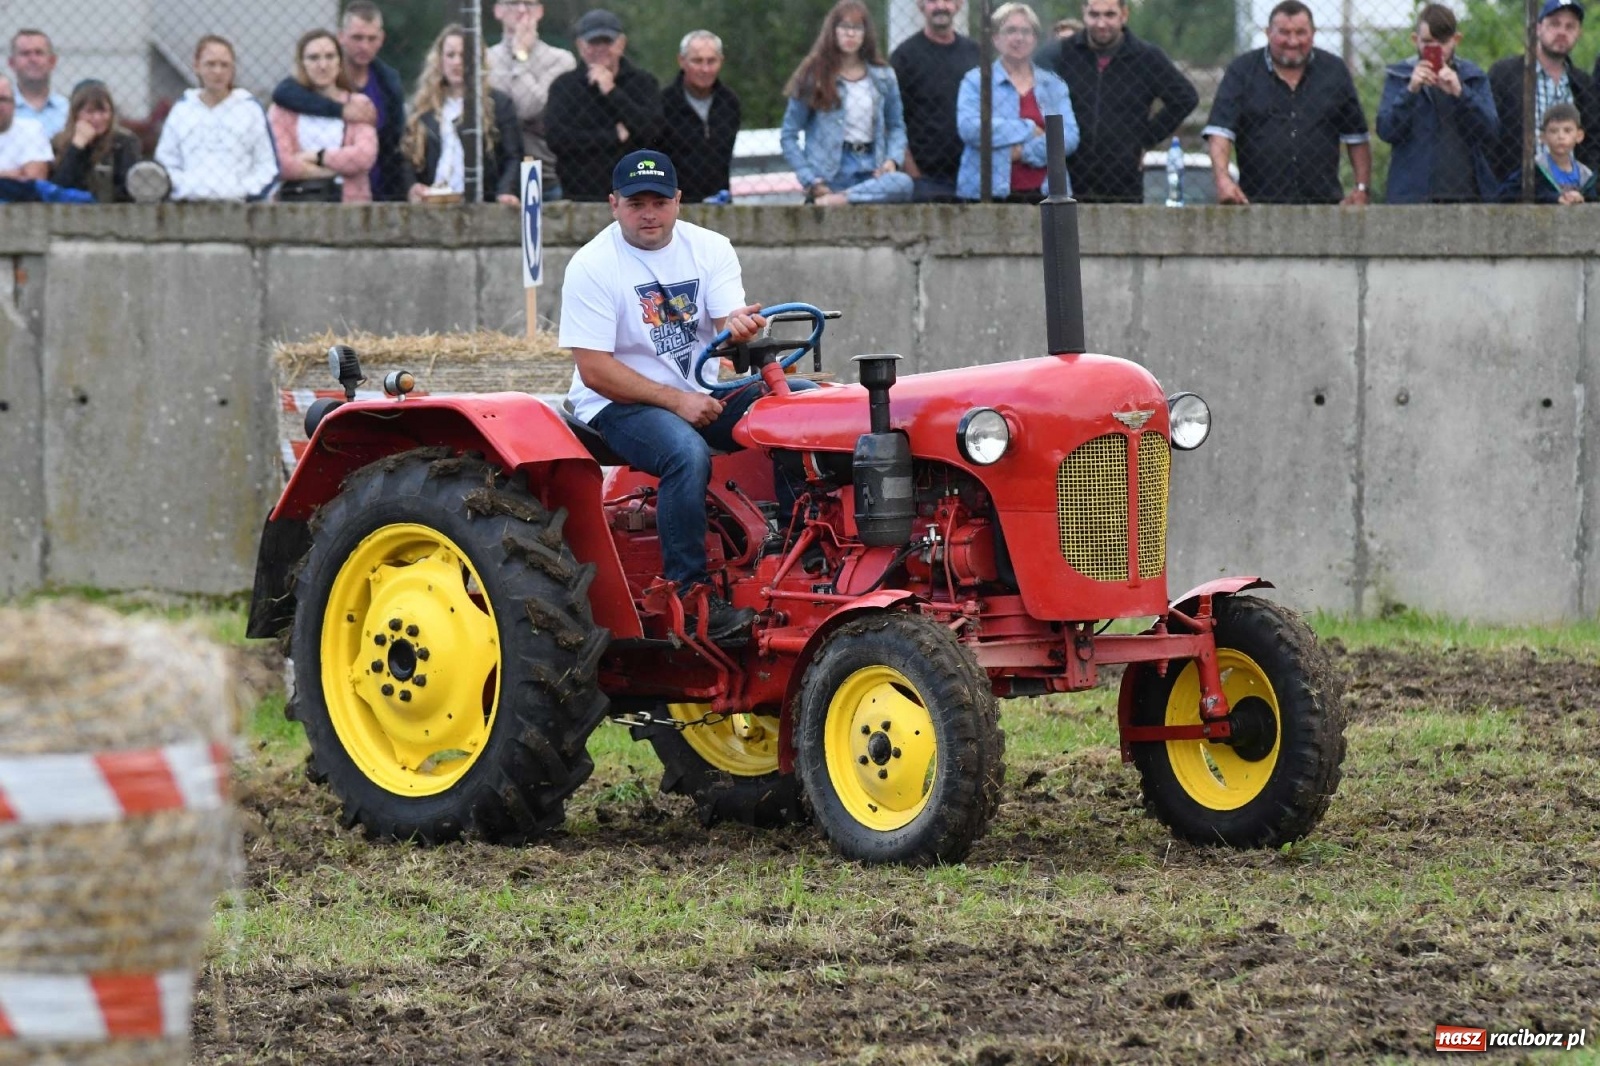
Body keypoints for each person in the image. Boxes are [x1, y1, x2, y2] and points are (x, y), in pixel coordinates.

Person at [560, 150, 779, 641]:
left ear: (678, 201)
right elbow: (594, 370)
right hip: (617, 402)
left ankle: (788, 562)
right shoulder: (592, 266)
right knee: (685, 452)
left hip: (700, 391)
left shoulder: (711, 247)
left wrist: (740, 329)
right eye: (636, 202)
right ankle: (690, 593)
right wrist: (678, 402)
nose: (649, 213)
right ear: (613, 204)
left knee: (795, 412)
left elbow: (727, 328)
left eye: (659, 201)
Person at [1203, 0, 1371, 205]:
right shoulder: (1242, 71)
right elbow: (1220, 132)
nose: (1292, 41)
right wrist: (1223, 180)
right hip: (1255, 204)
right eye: (1284, 32)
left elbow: (1357, 137)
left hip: (1324, 205)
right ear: (1268, 33)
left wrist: (1361, 188)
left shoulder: (1335, 72)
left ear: (1313, 33)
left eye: (1301, 33)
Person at [1038, 0, 1197, 203]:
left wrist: (1144, 139)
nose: (1101, 23)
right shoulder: (1061, 54)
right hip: (1068, 179)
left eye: (1110, 15)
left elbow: (1185, 98)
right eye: (1094, 15)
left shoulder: (1146, 57)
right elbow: (1031, 88)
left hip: (1123, 183)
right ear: (1084, 13)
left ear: (1124, 15)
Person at [780, 0, 913, 205]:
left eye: (857, 28)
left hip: (872, 172)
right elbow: (789, 134)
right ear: (832, 31)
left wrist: (892, 160)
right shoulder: (813, 74)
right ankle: (842, 196)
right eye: (844, 27)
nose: (850, 34)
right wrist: (810, 179)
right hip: (829, 174)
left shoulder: (884, 76)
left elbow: (896, 126)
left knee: (903, 184)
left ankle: (843, 199)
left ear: (866, 33)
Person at [271, 2, 406, 201]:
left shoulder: (387, 83)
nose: (364, 46)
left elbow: (370, 152)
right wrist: (340, 110)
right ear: (341, 37)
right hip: (300, 196)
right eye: (357, 38)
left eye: (371, 38)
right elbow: (281, 159)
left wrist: (318, 158)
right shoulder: (290, 96)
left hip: (372, 189)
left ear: (381, 39)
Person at [1377, 4, 1498, 204]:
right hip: (1411, 198)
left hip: (1465, 196)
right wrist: (1410, 91)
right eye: (1427, 42)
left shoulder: (1472, 77)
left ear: (1456, 39)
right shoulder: (1399, 76)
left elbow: (1491, 130)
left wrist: (1461, 92)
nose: (1435, 50)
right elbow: (1386, 130)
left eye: (1442, 42)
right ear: (1415, 40)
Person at [955, 3, 1077, 202]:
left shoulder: (1053, 85)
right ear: (996, 38)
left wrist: (1023, 152)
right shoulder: (976, 81)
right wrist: (1029, 129)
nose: (1018, 38)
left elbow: (1069, 136)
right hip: (986, 194)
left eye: (1026, 31)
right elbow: (970, 128)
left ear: (1035, 39)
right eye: (1010, 30)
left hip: (1047, 193)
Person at [546, 9, 663, 202]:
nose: (600, 48)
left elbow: (652, 132)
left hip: (637, 193)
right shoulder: (564, 86)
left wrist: (611, 91)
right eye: (593, 42)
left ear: (621, 43)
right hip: (579, 193)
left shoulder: (644, 83)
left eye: (607, 41)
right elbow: (557, 139)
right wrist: (613, 136)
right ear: (580, 45)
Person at [399, 25, 523, 205]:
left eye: (464, 55)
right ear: (440, 61)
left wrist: (505, 192)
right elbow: (407, 158)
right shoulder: (423, 108)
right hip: (434, 202)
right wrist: (412, 187)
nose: (457, 62)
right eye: (450, 55)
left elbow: (514, 156)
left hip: (482, 203)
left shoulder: (499, 104)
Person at [155, 36, 278, 202]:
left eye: (224, 64)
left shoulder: (250, 109)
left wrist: (244, 191)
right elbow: (166, 161)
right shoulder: (182, 110)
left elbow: (267, 165)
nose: (218, 71)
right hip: (188, 208)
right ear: (197, 66)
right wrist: (187, 188)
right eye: (210, 64)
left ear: (233, 68)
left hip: (241, 209)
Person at [1492, 0, 1600, 182]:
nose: (1562, 32)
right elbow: (1489, 133)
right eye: (1554, 24)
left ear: (1579, 33)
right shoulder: (1504, 75)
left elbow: (1594, 139)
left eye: (1570, 26)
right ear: (1538, 27)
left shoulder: (1584, 84)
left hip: (1572, 193)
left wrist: (1588, 186)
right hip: (1515, 189)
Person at [268, 30, 378, 203]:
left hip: (350, 206)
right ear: (302, 64)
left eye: (330, 56)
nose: (323, 65)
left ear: (340, 62)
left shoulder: (358, 104)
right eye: (314, 58)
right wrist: (331, 172)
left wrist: (317, 156)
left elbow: (364, 156)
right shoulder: (282, 110)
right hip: (295, 203)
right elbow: (280, 162)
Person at [891, 0, 980, 202]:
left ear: (959, 5)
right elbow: (893, 120)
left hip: (971, 173)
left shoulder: (975, 54)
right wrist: (913, 173)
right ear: (920, 5)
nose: (941, 6)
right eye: (932, 1)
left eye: (948, 0)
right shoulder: (904, 57)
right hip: (925, 177)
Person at [486, 0, 575, 195]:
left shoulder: (561, 60)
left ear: (540, 11)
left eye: (529, 3)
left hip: (546, 175)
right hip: (495, 175)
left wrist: (520, 56)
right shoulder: (485, 60)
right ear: (498, 10)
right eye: (513, 3)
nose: (521, 10)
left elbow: (527, 108)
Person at [657, 31, 740, 203]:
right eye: (697, 61)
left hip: (720, 202)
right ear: (682, 61)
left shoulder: (730, 103)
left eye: (711, 61)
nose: (705, 69)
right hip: (675, 204)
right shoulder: (662, 104)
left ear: (721, 62)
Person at [49, 80, 142, 203]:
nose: (97, 118)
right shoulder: (58, 142)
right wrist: (77, 146)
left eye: (103, 112)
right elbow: (57, 188)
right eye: (90, 112)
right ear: (76, 114)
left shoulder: (124, 142)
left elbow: (128, 189)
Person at [1499, 102, 1596, 202]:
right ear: (1543, 137)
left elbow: (1593, 201)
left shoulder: (1585, 175)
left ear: (1579, 136)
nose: (1560, 136)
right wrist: (1552, 198)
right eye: (1553, 131)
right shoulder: (1535, 168)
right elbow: (1505, 193)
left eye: (1567, 130)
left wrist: (1581, 198)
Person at [9, 31, 66, 138]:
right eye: (25, 53)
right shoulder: (4, 110)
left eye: (39, 53)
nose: (33, 59)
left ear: (52, 61)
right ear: (11, 63)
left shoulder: (68, 111)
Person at [0, 74, 51, 181]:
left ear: (14, 103)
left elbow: (35, 180)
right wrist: (12, 175)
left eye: (3, 99)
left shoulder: (31, 129)